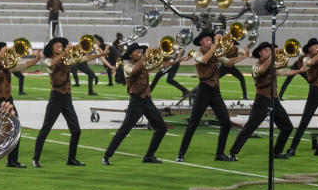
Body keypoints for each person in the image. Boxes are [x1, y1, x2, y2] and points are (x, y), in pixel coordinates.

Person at [32, 37, 105, 168]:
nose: (60, 46)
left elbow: (84, 59)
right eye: (57, 45)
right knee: (45, 129)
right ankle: (35, 159)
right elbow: (52, 63)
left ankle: (71, 158)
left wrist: (101, 54)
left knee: (76, 130)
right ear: (51, 48)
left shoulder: (67, 59)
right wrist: (66, 51)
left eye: (61, 45)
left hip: (67, 98)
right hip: (56, 98)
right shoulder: (49, 60)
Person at [175, 32, 247, 163]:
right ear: (201, 42)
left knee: (226, 122)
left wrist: (243, 56)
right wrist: (215, 45)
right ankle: (181, 153)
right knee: (193, 123)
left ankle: (219, 154)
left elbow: (228, 63)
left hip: (215, 91)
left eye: (210, 38)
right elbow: (204, 60)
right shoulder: (197, 54)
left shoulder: (216, 53)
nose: (209, 40)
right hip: (203, 90)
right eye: (207, 39)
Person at [228, 42, 303, 160]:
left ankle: (276, 152)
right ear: (260, 53)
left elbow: (283, 72)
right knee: (250, 127)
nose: (269, 51)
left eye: (270, 50)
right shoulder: (256, 66)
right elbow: (262, 70)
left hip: (274, 100)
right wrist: (273, 56)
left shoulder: (272, 65)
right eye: (266, 50)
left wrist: (299, 70)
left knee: (287, 127)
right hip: (262, 100)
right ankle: (232, 153)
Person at [0, 38, 40, 168]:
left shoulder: (6, 62)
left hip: (7, 99)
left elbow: (20, 66)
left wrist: (35, 60)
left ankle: (12, 160)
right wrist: (0, 55)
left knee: (15, 127)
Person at [102, 43, 167, 165]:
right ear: (131, 55)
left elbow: (158, 65)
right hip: (136, 102)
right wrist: (145, 57)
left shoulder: (143, 64)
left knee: (161, 128)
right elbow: (133, 71)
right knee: (124, 130)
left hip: (147, 100)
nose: (140, 53)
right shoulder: (127, 65)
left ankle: (149, 156)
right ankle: (106, 156)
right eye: (137, 51)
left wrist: (169, 57)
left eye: (141, 51)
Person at [286, 37, 318, 157]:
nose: (317, 47)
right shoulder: (306, 58)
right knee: (305, 122)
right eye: (315, 45)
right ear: (309, 48)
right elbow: (311, 62)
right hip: (314, 91)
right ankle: (292, 148)